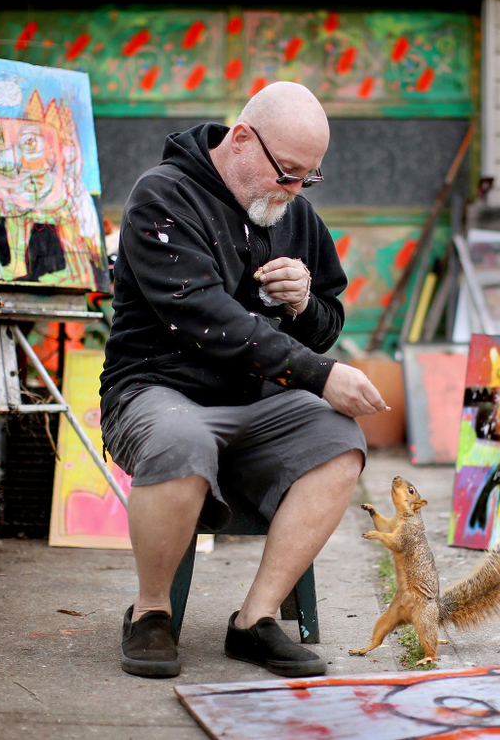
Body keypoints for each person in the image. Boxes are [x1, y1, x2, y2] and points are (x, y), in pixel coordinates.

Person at [99, 81, 388, 679]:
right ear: (240, 141)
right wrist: (317, 373)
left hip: (254, 405)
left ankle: (254, 621)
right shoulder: (162, 197)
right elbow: (206, 317)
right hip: (153, 390)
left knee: (338, 439)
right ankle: (150, 612)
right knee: (182, 439)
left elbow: (327, 323)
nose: (293, 190)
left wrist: (304, 304)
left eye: (307, 178)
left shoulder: (293, 214)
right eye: (287, 173)